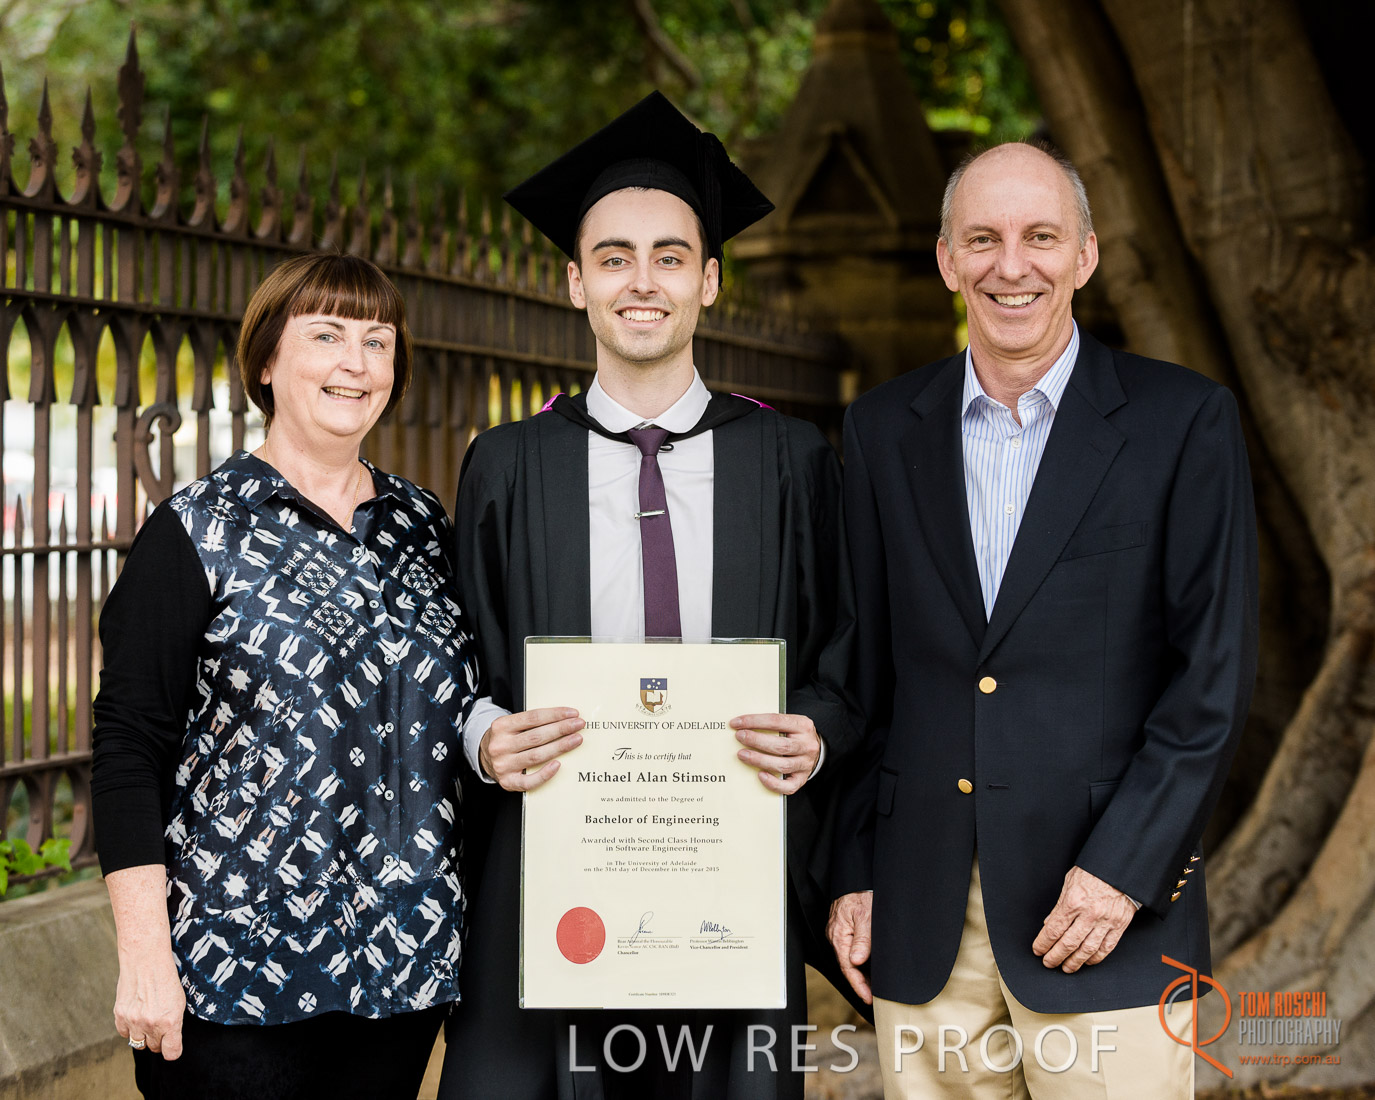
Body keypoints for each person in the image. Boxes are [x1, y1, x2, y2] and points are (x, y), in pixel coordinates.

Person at [438, 92, 862, 1100]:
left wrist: (815, 734)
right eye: (614, 256)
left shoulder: (789, 460)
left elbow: (844, 659)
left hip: (730, 886)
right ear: (575, 279)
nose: (642, 280)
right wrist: (485, 734)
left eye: (670, 256)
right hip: (550, 878)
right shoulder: (508, 464)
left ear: (707, 280)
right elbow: (457, 665)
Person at [827, 141, 1259, 1098]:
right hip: (921, 915)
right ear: (947, 260)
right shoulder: (880, 430)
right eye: (981, 238)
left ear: (1085, 256)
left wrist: (1122, 872)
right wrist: (853, 869)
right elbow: (861, 675)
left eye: (1040, 237)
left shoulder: (1182, 421)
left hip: (1103, 914)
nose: (1009, 264)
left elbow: (1211, 678)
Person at [91, 252, 503, 1099]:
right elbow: (129, 748)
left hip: (402, 968)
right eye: (326, 335)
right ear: (266, 363)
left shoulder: (424, 527)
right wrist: (144, 958)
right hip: (234, 977)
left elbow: (461, 708)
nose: (357, 362)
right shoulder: (197, 531)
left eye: (377, 341)